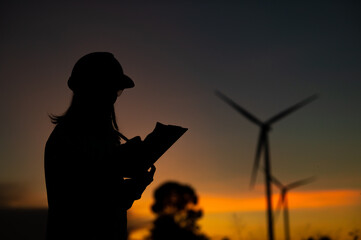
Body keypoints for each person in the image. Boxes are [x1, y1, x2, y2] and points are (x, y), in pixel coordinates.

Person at [44, 52, 155, 240]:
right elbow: (87, 206)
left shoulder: (94, 137)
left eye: (116, 91)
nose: (113, 98)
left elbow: (104, 189)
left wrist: (130, 172)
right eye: (108, 89)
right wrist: (133, 187)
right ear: (88, 89)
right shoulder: (70, 138)